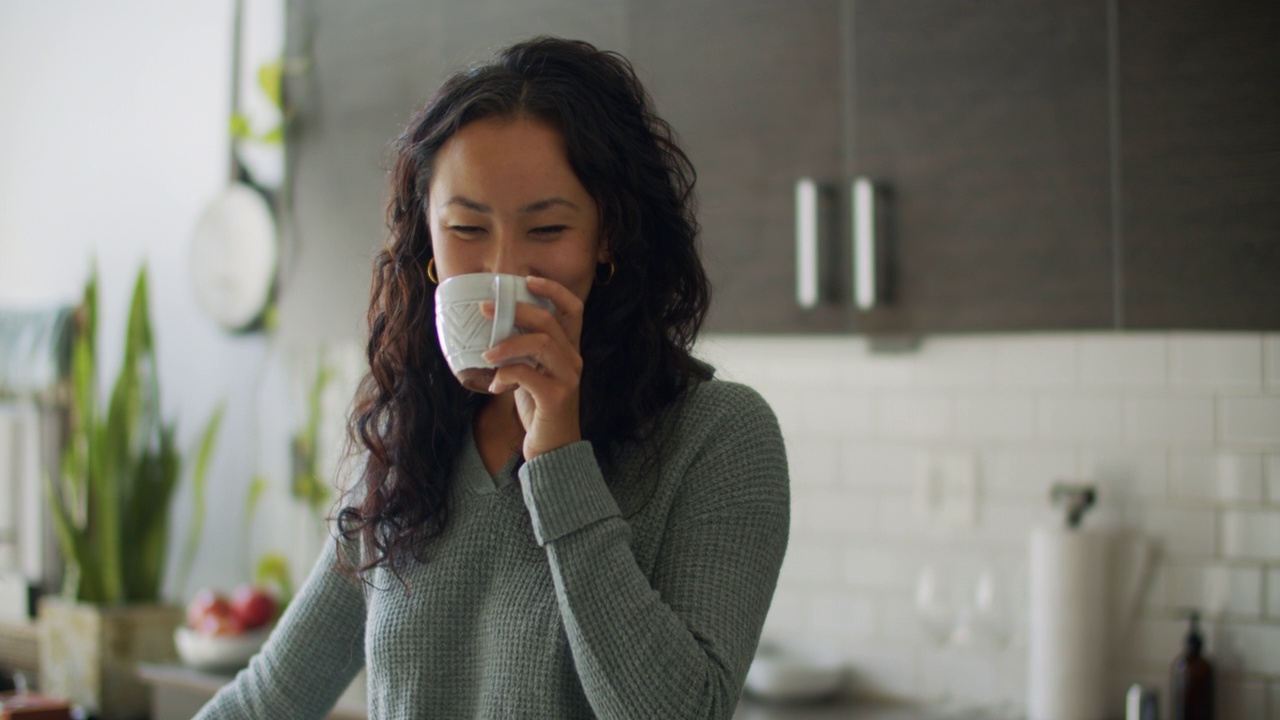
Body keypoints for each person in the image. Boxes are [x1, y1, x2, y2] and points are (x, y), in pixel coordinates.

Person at [196, 36, 789, 719]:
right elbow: (270, 698)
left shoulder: (718, 437)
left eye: (547, 229)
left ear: (608, 238)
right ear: (426, 242)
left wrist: (559, 457)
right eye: (466, 228)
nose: (502, 271)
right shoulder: (408, 439)